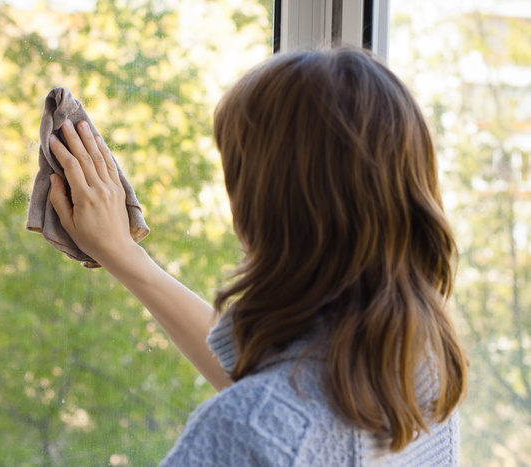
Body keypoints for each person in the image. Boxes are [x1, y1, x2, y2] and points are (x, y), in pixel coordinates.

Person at [46, 47, 468, 466]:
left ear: (265, 209)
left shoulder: (241, 433)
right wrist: (122, 254)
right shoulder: (419, 368)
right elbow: (287, 395)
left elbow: (266, 422)